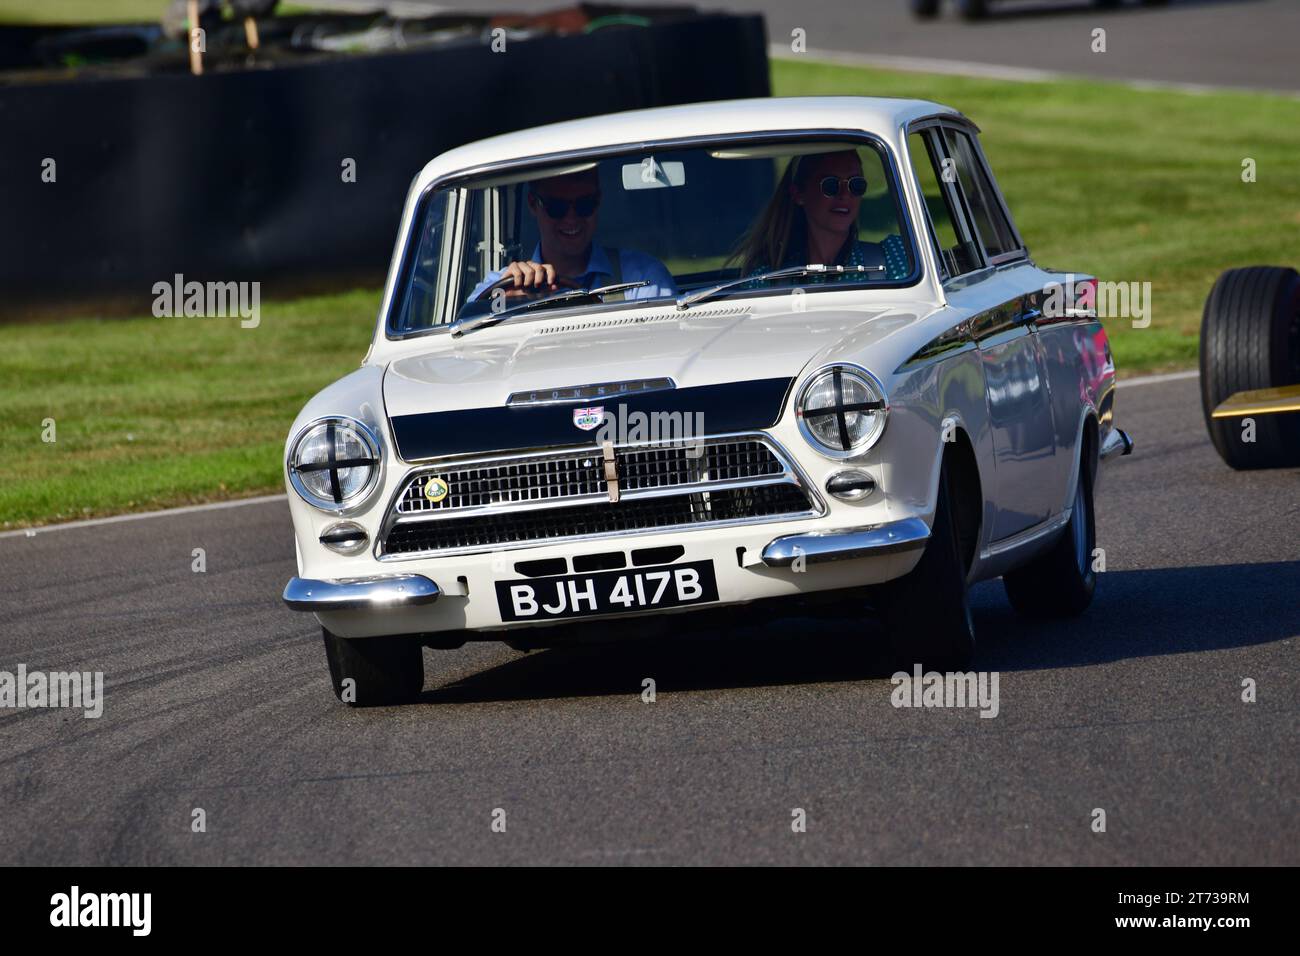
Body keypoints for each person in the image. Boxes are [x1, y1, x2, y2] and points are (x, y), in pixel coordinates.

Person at [468, 167, 676, 303]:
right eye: (557, 207)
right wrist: (507, 300)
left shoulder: (643, 277)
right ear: (533, 204)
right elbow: (467, 339)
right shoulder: (499, 284)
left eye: (585, 205)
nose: (571, 218)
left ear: (598, 201)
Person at [732, 150, 911, 282]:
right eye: (830, 185)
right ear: (798, 194)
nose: (845, 195)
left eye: (855, 185)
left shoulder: (897, 255)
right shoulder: (765, 281)